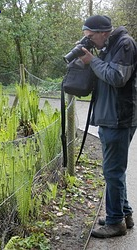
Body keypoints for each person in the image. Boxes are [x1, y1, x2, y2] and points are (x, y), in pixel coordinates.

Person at [79, 15, 137, 238]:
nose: (90, 41)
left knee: (112, 171)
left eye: (91, 37)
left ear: (103, 32)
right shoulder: (108, 46)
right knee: (114, 171)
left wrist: (92, 61)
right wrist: (89, 59)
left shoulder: (125, 44)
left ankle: (115, 223)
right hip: (109, 117)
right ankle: (124, 214)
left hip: (119, 118)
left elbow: (116, 77)